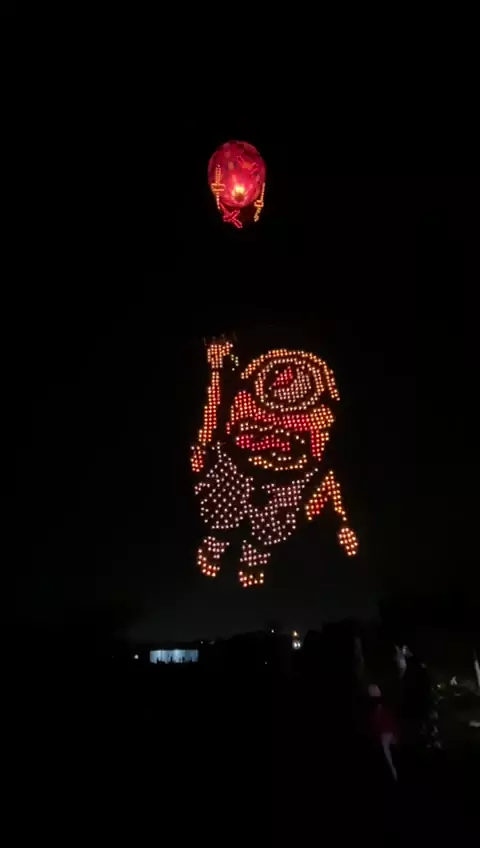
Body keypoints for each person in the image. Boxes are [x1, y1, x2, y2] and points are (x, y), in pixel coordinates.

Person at [367, 683, 399, 782]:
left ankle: (394, 773)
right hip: (383, 734)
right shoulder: (375, 709)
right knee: (387, 754)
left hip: (386, 733)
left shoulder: (383, 707)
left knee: (387, 753)